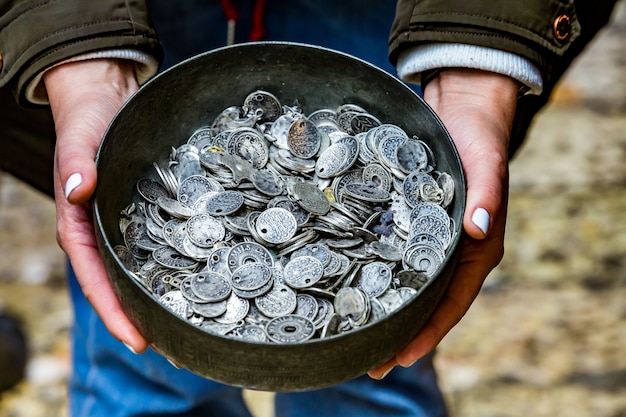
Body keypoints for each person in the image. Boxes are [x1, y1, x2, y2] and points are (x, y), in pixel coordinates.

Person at [0, 0, 619, 415]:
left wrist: (476, 52)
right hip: (137, 9)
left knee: (374, 350)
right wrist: (78, 50)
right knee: (146, 348)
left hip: (386, 6)